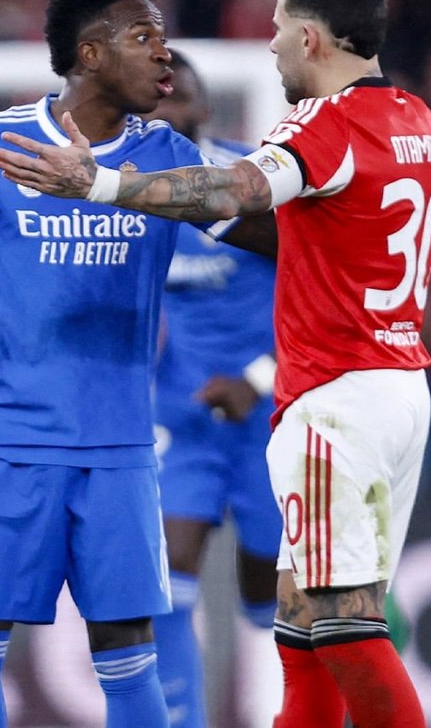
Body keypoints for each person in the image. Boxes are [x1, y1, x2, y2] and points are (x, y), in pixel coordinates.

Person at [0, 0, 431, 727]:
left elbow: (235, 188)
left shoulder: (322, 125)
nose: (269, 46)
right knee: (302, 633)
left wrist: (96, 182)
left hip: (337, 400)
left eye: (276, 28)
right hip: (398, 390)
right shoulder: (418, 121)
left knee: (347, 629)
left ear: (312, 37)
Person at [0, 0, 269, 728]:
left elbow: (266, 239)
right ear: (90, 53)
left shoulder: (163, 152)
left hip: (120, 446)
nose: (163, 53)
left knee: (127, 652)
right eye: (143, 36)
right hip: (10, 440)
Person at [146, 50, 281, 728]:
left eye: (179, 97)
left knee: (274, 603)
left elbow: (327, 301)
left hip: (270, 414)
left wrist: (259, 380)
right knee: (166, 578)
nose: (164, 109)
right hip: (183, 417)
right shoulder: (126, 198)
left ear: (203, 108)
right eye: (154, 97)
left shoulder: (253, 184)